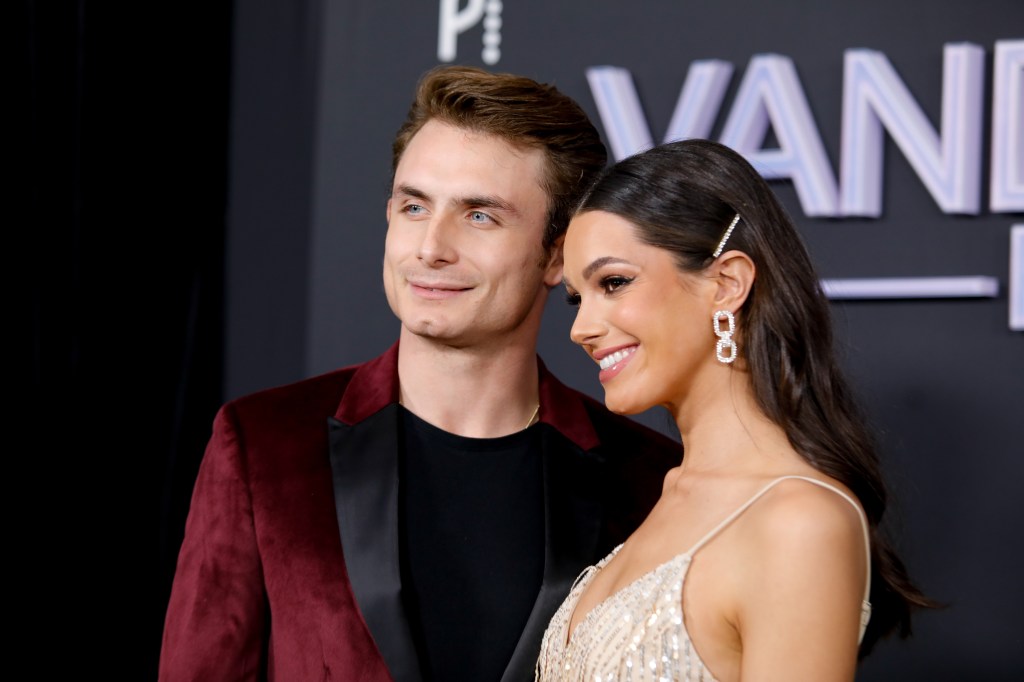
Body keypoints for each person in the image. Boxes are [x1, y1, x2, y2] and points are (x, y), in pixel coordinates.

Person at [159, 65, 682, 682]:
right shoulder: (262, 443)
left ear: (556, 254)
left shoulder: (650, 481)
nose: (431, 246)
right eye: (414, 206)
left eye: (480, 215)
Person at [535, 139, 931, 681]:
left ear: (727, 283)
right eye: (579, 298)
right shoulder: (666, 491)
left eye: (614, 283)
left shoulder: (799, 521)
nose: (581, 329)